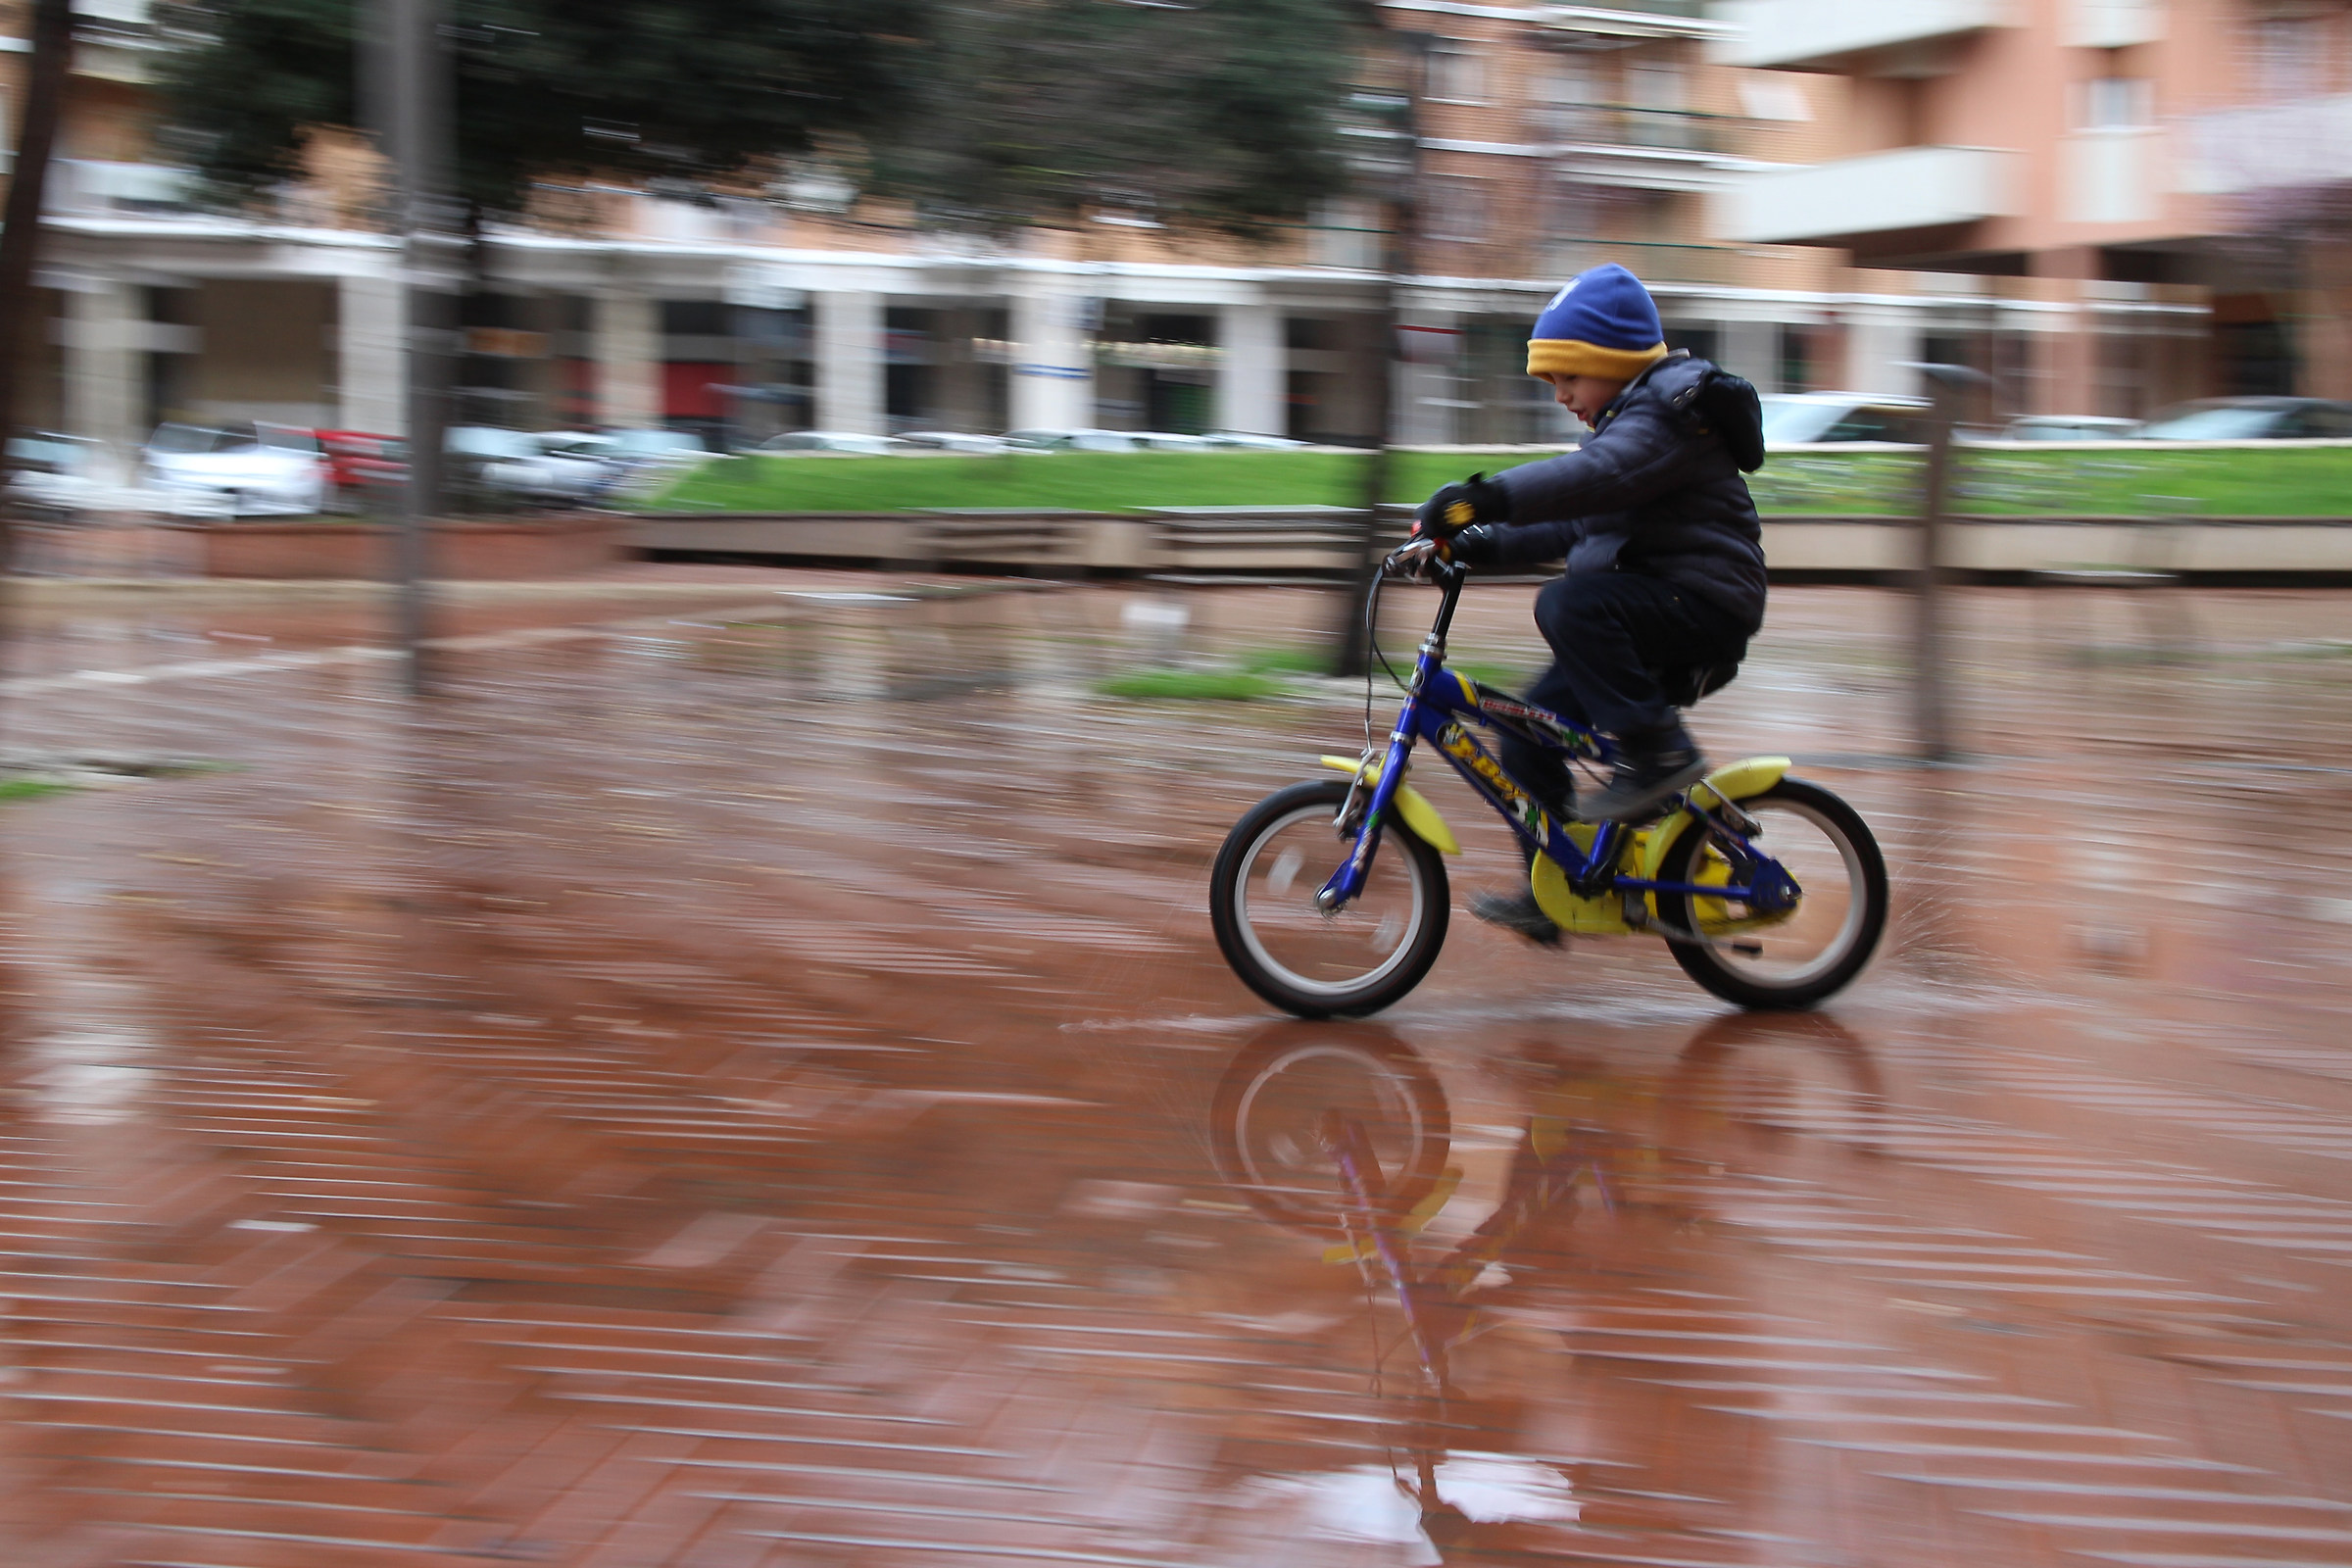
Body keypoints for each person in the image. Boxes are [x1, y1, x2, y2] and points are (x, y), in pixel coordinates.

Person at [1411, 263, 1767, 945]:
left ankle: (1659, 754)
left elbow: (1591, 479)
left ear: (1613, 359)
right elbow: (1573, 524)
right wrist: (1475, 544)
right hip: (1648, 612)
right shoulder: (1627, 426)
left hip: (1698, 609)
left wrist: (1479, 497)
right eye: (1552, 383)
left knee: (1570, 604)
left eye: (1569, 377)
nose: (1562, 396)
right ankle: (1558, 890)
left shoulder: (1668, 414)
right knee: (1524, 729)